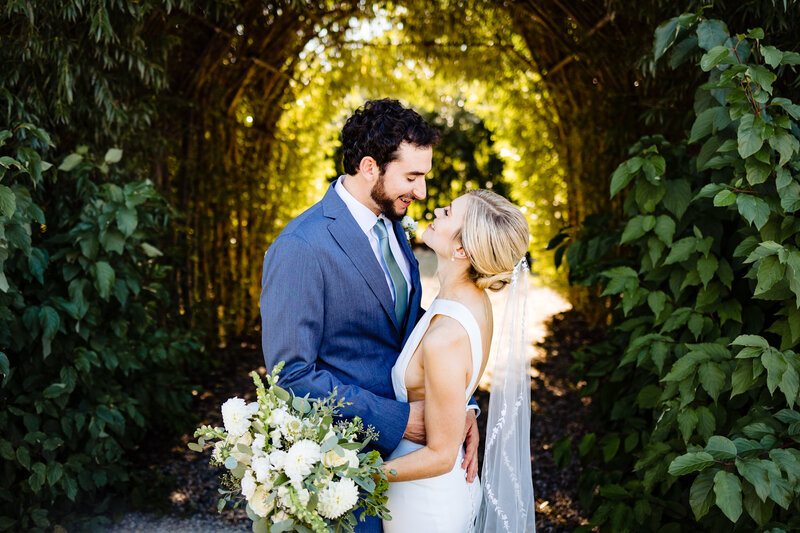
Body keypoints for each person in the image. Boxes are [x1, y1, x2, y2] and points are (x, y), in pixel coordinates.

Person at [259, 99, 480, 533]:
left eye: (424, 178)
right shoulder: (301, 247)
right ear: (369, 167)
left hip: (412, 471)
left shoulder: (393, 224)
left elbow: (407, 326)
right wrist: (400, 421)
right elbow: (290, 375)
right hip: (345, 467)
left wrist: (459, 407)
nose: (421, 193)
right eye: (411, 178)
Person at [381, 189, 534, 532]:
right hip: (433, 492)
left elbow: (440, 454)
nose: (435, 209)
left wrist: (358, 476)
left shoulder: (446, 337)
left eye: (448, 212)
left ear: (462, 249)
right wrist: (467, 410)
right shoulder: (472, 302)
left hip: (424, 505)